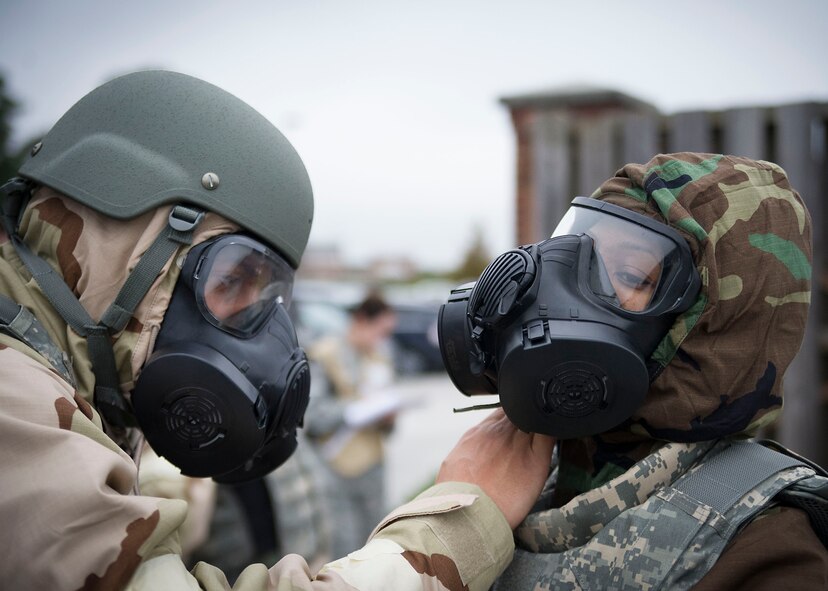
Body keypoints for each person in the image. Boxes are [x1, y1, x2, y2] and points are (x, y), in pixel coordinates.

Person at [0, 70, 555, 590]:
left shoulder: (64, 390)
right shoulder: (14, 399)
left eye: (265, 294)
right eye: (233, 280)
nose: (256, 332)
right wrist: (456, 530)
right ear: (118, 244)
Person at [438, 152, 828, 590]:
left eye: (625, 272)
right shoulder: (522, 470)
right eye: (577, 252)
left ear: (711, 325)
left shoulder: (770, 550)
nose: (557, 288)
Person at [303, 292, 402, 557]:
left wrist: (388, 418)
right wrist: (356, 409)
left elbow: (390, 426)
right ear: (360, 320)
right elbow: (313, 415)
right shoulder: (325, 355)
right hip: (335, 470)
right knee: (343, 549)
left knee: (376, 544)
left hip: (373, 466)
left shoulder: (380, 359)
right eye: (380, 331)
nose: (383, 340)